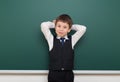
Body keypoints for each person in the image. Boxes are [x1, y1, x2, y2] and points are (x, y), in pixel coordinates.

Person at [40, 14, 86, 82]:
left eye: (65, 27)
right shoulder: (51, 39)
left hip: (68, 75)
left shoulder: (72, 40)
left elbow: (83, 28)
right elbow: (43, 25)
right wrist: (54, 24)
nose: (61, 29)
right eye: (59, 26)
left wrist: (70, 26)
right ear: (55, 27)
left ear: (69, 29)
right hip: (54, 74)